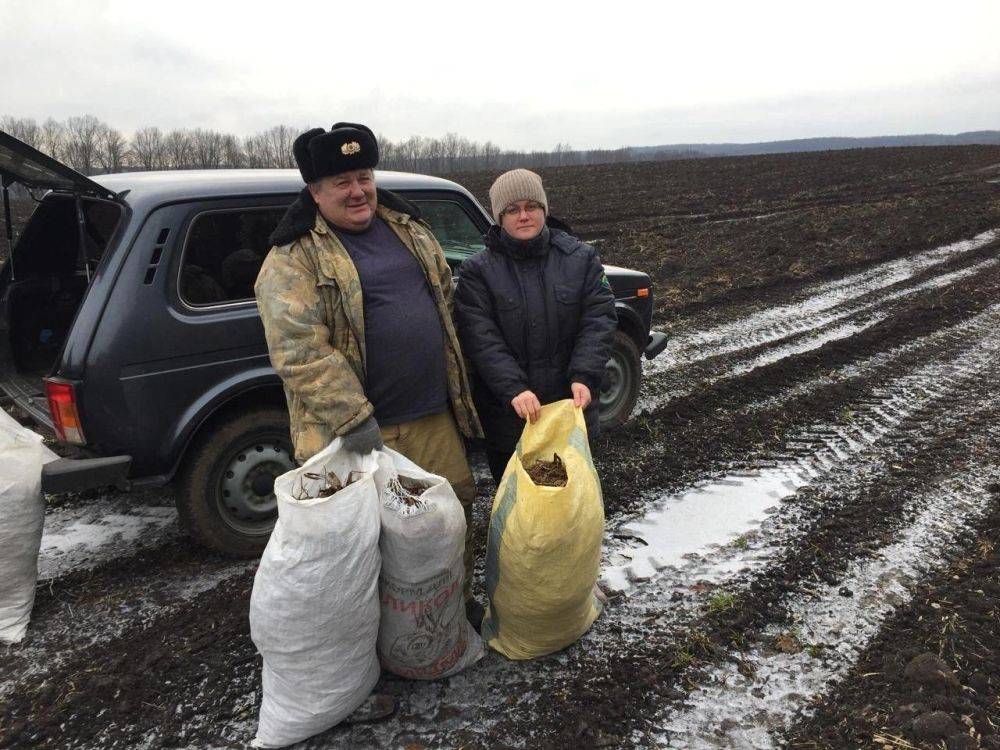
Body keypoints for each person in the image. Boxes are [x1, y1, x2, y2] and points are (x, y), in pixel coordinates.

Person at [254, 123, 484, 626]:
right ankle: (372, 650)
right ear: (315, 191)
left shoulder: (409, 229)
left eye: (363, 175)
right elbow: (298, 350)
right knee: (358, 548)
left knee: (447, 522)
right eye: (341, 181)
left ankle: (446, 621)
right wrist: (354, 418)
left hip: (431, 418)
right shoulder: (292, 257)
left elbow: (444, 301)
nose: (357, 191)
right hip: (355, 437)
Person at [455, 169, 617, 484]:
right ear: (499, 218)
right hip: (511, 418)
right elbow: (480, 338)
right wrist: (513, 388)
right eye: (512, 210)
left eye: (532, 206)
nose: (524, 216)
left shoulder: (580, 258)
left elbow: (599, 319)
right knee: (522, 507)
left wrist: (584, 375)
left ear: (544, 209)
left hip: (570, 410)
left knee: (571, 496)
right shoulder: (478, 272)